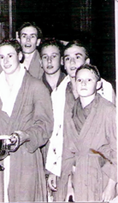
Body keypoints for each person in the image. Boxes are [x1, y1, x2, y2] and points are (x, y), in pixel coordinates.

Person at [0, 39, 53, 202]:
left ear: (19, 56)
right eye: (1, 57)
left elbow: (44, 126)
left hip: (25, 158)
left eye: (10, 55)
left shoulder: (36, 86)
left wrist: (23, 136)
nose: (5, 61)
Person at [45, 40, 116, 201]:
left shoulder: (105, 92)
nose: (72, 62)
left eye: (77, 57)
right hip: (69, 167)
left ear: (87, 61)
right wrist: (54, 169)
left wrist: (112, 183)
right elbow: (57, 135)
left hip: (98, 170)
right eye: (68, 58)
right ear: (63, 62)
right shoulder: (59, 93)